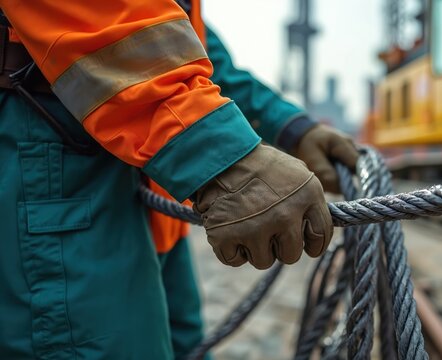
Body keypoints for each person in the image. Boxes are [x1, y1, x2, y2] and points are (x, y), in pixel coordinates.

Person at [0, 0, 358, 359]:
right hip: (55, 167)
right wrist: (222, 157)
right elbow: (105, 17)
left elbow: (183, 41)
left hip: (147, 187)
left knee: (183, 345)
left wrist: (290, 126)